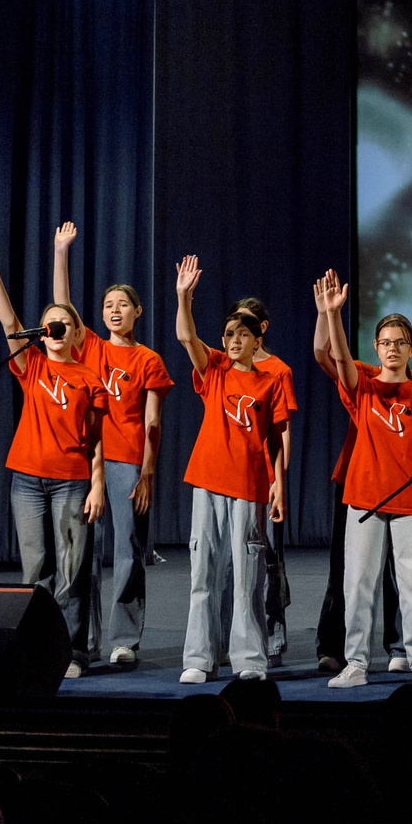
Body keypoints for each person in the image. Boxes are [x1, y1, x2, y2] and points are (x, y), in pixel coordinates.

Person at [0, 234, 107, 675]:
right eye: (47, 322)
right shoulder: (30, 364)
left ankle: (72, 651)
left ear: (75, 332)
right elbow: (7, 318)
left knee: (71, 570)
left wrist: (97, 485)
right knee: (35, 569)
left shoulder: (88, 376)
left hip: (71, 478)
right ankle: (33, 647)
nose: (53, 328)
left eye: (61, 323)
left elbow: (96, 437)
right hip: (27, 479)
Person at [314, 271, 412, 688]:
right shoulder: (364, 387)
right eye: (385, 343)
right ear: (376, 347)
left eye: (399, 343)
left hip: (411, 503)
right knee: (358, 584)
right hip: (364, 501)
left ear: (411, 349)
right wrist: (334, 315)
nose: (392, 349)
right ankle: (356, 662)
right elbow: (338, 361)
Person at [49, 221, 168, 669]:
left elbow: (153, 421)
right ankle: (82, 640)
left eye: (122, 305)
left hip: (128, 462)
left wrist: (147, 474)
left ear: (137, 312)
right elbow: (61, 310)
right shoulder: (91, 347)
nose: (114, 310)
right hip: (86, 462)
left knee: (128, 551)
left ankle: (124, 639)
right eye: (107, 305)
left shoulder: (148, 359)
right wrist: (62, 251)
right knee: (81, 553)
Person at [170, 253, 293, 684]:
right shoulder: (215, 370)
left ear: (258, 338)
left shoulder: (273, 378)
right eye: (227, 333)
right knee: (203, 571)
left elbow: (278, 436)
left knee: (247, 575)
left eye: (242, 333)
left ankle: (249, 660)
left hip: (250, 484)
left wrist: (279, 484)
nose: (233, 339)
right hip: (207, 480)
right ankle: (199, 659)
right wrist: (184, 297)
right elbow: (187, 337)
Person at [231, 294, 294, 664]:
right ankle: (234, 635)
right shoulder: (226, 364)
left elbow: (281, 431)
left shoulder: (278, 370)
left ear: (261, 330)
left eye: (247, 325)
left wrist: (278, 480)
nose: (239, 334)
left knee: (270, 557)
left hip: (266, 476)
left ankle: (273, 632)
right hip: (233, 477)